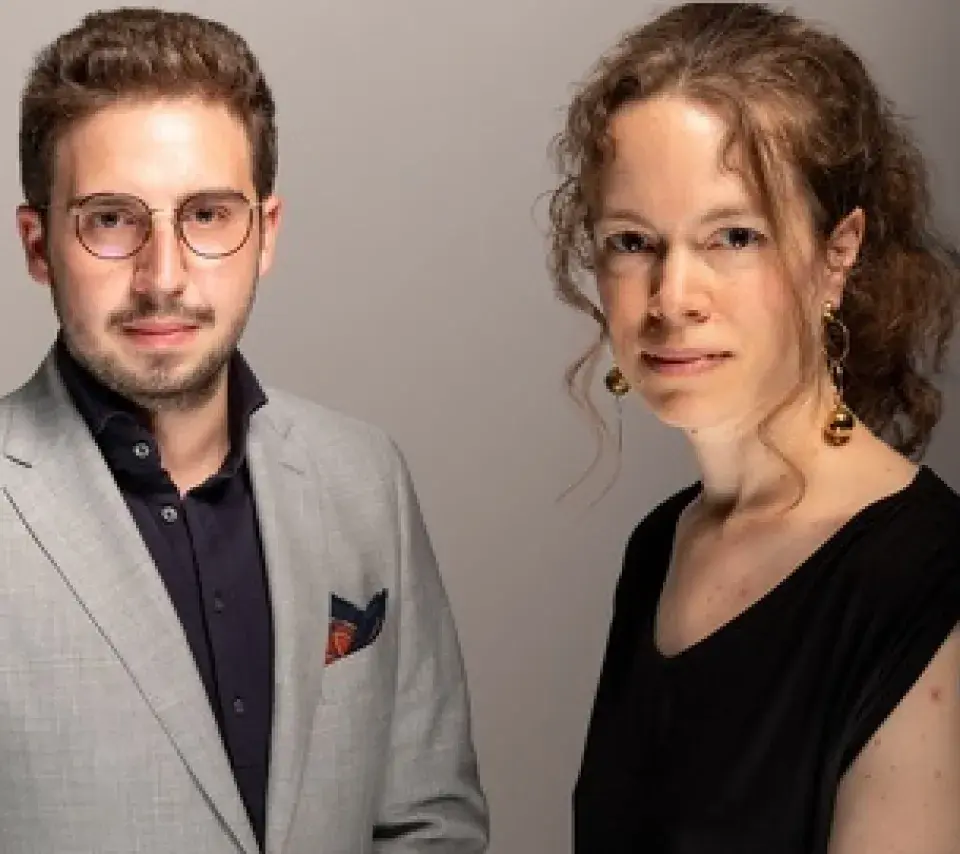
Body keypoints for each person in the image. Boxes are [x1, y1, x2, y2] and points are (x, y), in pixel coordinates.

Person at [2, 8, 488, 853]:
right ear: (39, 246)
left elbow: (431, 821)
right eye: (111, 219)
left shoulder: (363, 479)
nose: (163, 277)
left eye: (206, 216)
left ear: (265, 234)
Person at [546, 3, 960, 852]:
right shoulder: (659, 547)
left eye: (734, 236)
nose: (672, 299)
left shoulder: (929, 578)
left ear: (837, 254)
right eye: (633, 242)